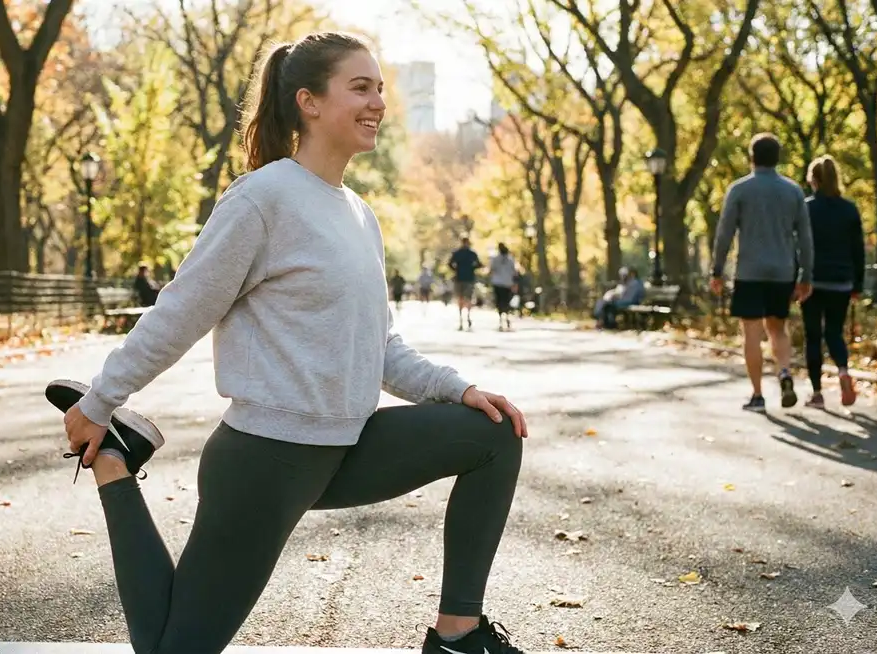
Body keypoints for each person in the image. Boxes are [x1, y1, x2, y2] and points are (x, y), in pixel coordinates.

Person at [43, 32, 528, 654]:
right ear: (309, 102)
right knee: (174, 651)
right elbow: (180, 312)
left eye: (380, 88)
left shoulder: (359, 214)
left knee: (493, 431)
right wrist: (101, 401)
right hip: (265, 463)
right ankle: (114, 462)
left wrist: (458, 389)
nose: (377, 101)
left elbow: (380, 348)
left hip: (346, 448)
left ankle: (458, 634)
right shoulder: (262, 199)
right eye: (360, 87)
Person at [711, 133, 814, 412]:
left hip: (750, 271)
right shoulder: (794, 191)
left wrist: (717, 270)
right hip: (782, 271)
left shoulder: (740, 189)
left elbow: (724, 233)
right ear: (777, 158)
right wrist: (806, 275)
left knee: (752, 334)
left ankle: (757, 395)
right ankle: (784, 372)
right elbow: (805, 237)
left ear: (751, 157)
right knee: (778, 328)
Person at [801, 155, 864, 408]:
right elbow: (858, 250)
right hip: (841, 281)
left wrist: (797, 279)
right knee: (834, 333)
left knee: (813, 336)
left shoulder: (806, 208)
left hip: (813, 281)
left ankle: (816, 393)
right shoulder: (849, 209)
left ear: (813, 180)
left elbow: (799, 247)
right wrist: (858, 284)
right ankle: (843, 371)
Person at [448, 234, 482, 331]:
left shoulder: (457, 253)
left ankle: (462, 318)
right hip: (469, 278)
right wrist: (472, 268)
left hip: (460, 277)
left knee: (460, 298)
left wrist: (456, 269)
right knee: (468, 298)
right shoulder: (472, 253)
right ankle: (467, 317)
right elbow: (479, 264)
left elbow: (450, 263)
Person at [487, 243, 517, 331]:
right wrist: (514, 283)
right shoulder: (510, 259)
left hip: (497, 282)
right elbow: (514, 272)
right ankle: (507, 316)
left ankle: (500, 319)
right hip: (507, 283)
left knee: (499, 301)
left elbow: (491, 270)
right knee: (506, 300)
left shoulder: (495, 259)